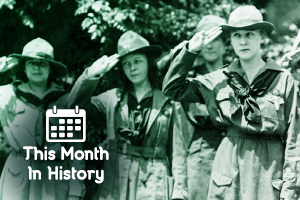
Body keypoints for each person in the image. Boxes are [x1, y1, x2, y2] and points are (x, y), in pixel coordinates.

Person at [162, 5, 300, 200]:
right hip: (229, 172)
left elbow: (295, 138)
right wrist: (190, 51)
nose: (243, 41)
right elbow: (172, 89)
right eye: (237, 35)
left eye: (249, 34)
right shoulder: (219, 80)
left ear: (262, 36)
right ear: (231, 41)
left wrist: (291, 187)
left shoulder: (283, 80)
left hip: (270, 173)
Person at [0, 37, 119, 200]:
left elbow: (75, 150)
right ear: (24, 67)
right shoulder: (7, 95)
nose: (36, 67)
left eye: (42, 63)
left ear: (51, 69)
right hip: (19, 177)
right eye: (31, 62)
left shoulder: (65, 101)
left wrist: (75, 191)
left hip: (54, 179)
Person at [91, 31, 180, 200]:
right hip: (117, 178)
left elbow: (177, 152)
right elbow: (72, 105)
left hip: (155, 180)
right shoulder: (112, 99)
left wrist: (179, 192)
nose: (132, 68)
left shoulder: (168, 102)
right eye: (126, 63)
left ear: (149, 62)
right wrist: (91, 75)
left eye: (137, 61)